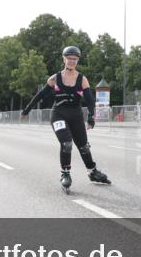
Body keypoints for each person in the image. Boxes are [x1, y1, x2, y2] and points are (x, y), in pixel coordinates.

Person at [21, 46, 111, 193]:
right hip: (58, 115)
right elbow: (40, 96)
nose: (71, 61)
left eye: (75, 59)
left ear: (78, 61)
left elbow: (90, 101)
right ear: (64, 59)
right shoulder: (55, 78)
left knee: (84, 146)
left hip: (75, 116)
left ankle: (92, 171)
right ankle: (65, 174)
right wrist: (27, 110)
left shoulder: (82, 80)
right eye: (69, 58)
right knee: (67, 144)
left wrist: (91, 117)